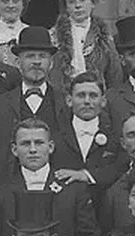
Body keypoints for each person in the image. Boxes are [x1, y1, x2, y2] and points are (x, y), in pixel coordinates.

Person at [0, 26, 68, 175]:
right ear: (17, 62)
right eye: (30, 56)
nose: (36, 62)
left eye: (42, 56)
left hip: (57, 189)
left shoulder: (65, 103)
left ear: (51, 63)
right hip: (9, 190)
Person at [50, 72, 124, 202]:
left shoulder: (115, 134)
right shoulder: (54, 134)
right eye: (80, 95)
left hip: (104, 205)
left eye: (93, 96)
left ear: (103, 101)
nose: (87, 101)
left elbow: (120, 168)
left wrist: (87, 175)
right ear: (69, 100)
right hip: (64, 204)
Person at [48, 0, 122, 91]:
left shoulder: (104, 37)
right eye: (72, 1)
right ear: (66, 7)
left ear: (92, 3)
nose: (78, 5)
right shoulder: (54, 36)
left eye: (82, 0)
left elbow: (114, 75)